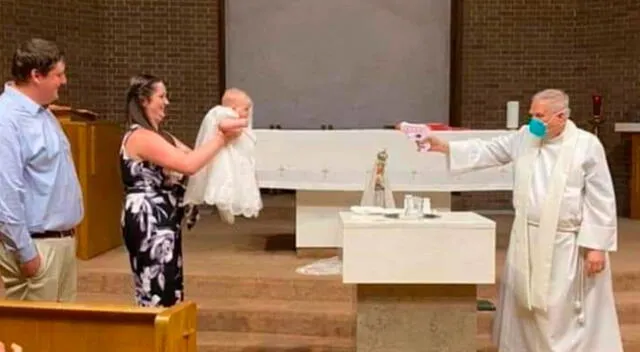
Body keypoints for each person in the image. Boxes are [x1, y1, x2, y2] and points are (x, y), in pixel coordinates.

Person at [420, 89, 623, 351]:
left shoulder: (586, 146)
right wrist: (444, 146)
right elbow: (489, 150)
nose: (533, 122)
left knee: (560, 311)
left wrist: (597, 246)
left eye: (540, 116)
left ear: (561, 116)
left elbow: (600, 197)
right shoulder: (525, 138)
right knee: (527, 308)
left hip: (567, 243)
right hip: (527, 238)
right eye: (532, 115)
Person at [119, 74, 246, 307]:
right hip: (149, 220)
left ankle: (170, 338)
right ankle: (156, 339)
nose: (167, 102)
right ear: (144, 101)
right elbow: (187, 165)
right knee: (157, 289)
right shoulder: (141, 137)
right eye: (161, 96)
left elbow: (198, 159)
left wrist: (223, 121)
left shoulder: (162, 137)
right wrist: (221, 137)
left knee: (170, 285)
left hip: (164, 219)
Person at [0, 38, 83, 302]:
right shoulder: (7, 119)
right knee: (33, 341)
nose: (64, 81)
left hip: (60, 242)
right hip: (37, 247)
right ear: (36, 75)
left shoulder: (44, 114)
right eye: (58, 74)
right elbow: (5, 193)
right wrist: (27, 254)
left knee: (62, 337)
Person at [183, 87, 263, 224]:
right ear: (233, 108)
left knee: (237, 180)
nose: (248, 113)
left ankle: (230, 206)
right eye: (245, 109)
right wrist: (242, 123)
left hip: (235, 156)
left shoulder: (234, 115)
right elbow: (224, 125)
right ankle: (224, 206)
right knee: (225, 179)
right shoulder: (224, 113)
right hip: (224, 157)